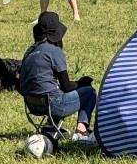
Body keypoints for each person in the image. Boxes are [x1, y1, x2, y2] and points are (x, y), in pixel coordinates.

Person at [19, 11, 96, 143]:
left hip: (31, 104)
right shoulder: (54, 51)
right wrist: (81, 83)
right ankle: (81, 130)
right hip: (52, 105)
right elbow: (67, 86)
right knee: (89, 92)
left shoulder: (30, 51)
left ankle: (50, 128)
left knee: (53, 91)